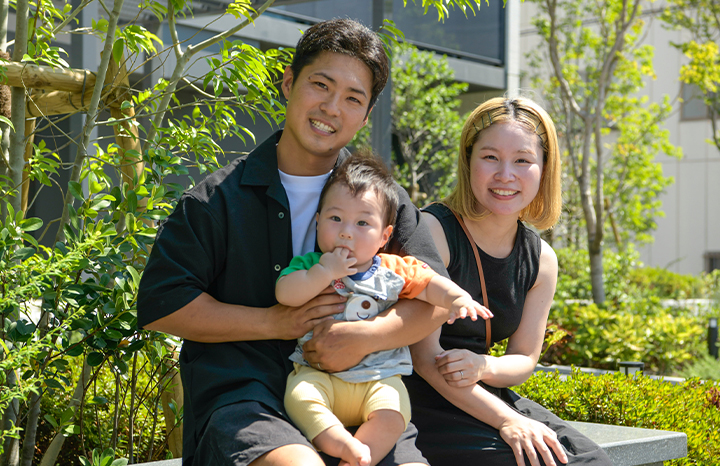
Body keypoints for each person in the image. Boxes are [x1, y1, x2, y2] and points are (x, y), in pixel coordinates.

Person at [137, 18, 451, 466]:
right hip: (245, 396)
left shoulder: (384, 202)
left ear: (365, 116)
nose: (331, 107)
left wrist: (363, 337)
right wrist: (272, 322)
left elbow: (437, 296)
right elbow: (162, 305)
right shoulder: (215, 200)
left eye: (353, 98)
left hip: (362, 393)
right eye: (320, 85)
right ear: (288, 83)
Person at [405, 96, 614, 466]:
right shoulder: (433, 230)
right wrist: (508, 421)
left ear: (544, 168)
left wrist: (483, 367)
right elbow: (424, 358)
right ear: (468, 160)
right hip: (419, 398)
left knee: (591, 461)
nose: (505, 174)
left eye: (522, 160)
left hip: (484, 390)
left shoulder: (541, 259)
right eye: (490, 157)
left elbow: (523, 358)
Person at [277, 152, 491, 466]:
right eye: (335, 219)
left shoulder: (393, 269)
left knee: (395, 412)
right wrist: (323, 272)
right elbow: (286, 294)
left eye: (363, 223)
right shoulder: (310, 264)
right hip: (318, 374)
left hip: (379, 378)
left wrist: (457, 299)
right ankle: (340, 443)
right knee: (299, 397)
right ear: (318, 220)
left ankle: (360, 456)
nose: (346, 231)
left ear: (384, 236)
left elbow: (430, 284)